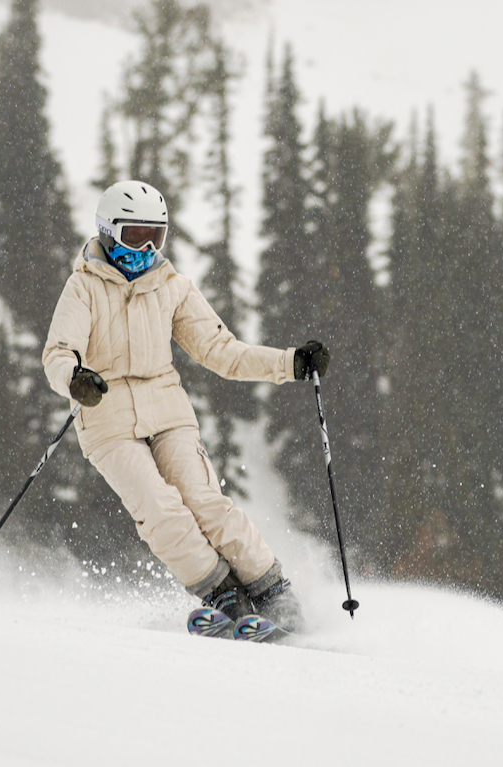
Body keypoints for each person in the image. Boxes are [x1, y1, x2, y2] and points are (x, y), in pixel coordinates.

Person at [42, 180, 329, 632]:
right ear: (108, 231)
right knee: (160, 508)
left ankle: (273, 592)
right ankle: (224, 595)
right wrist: (75, 380)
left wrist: (292, 363)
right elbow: (59, 353)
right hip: (108, 420)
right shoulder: (84, 288)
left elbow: (224, 352)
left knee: (205, 502)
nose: (148, 247)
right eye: (136, 235)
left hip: (168, 412)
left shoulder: (171, 286)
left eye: (157, 235)